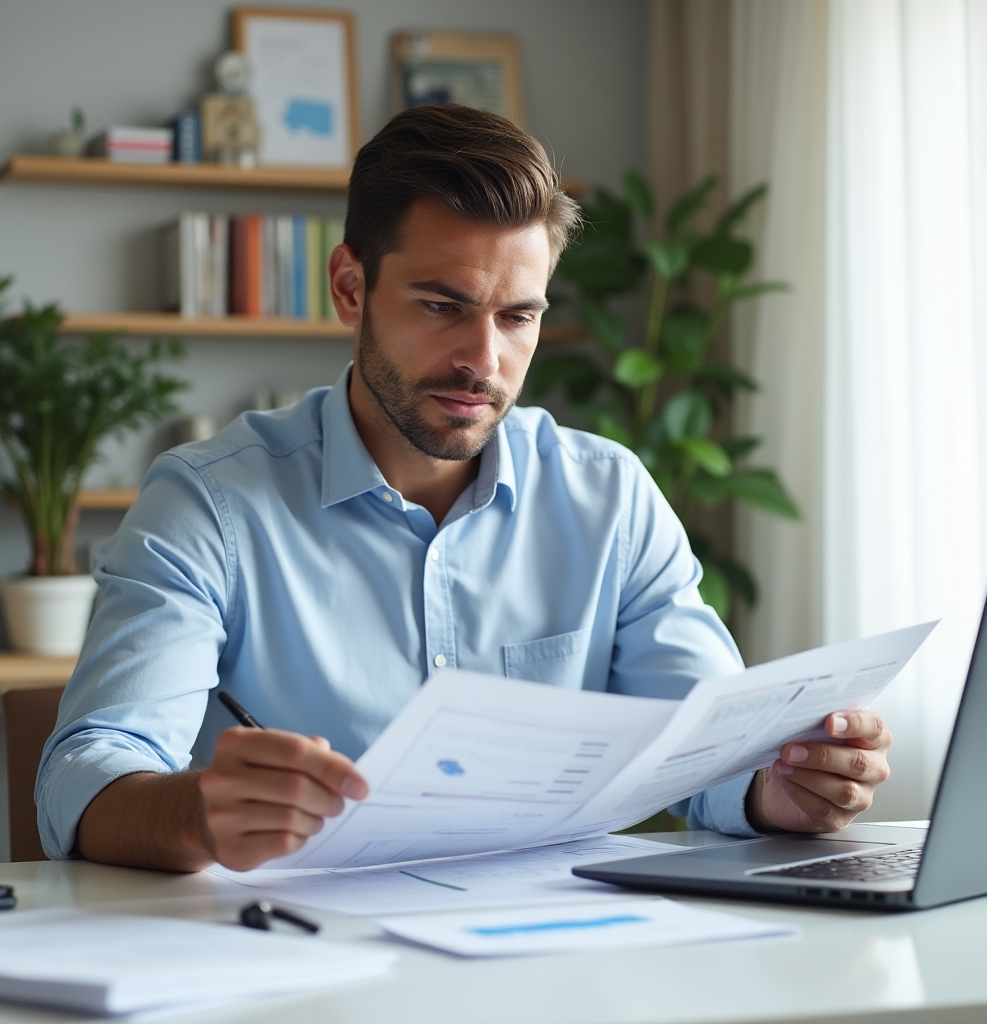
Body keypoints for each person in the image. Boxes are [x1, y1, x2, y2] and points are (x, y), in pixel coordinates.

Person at [37, 105, 892, 872]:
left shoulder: (611, 499)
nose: (484, 361)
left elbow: (705, 752)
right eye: (442, 305)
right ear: (350, 287)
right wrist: (194, 813)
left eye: (518, 316)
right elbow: (85, 776)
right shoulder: (208, 504)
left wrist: (776, 792)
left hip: (559, 965)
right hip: (305, 967)